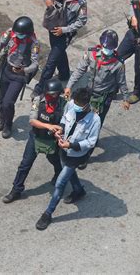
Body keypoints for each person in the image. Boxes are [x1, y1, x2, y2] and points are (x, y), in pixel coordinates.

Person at [35, 88, 101, 230]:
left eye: (78, 103)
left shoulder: (94, 120)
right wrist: (60, 130)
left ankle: (48, 213)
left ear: (85, 104)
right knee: (68, 171)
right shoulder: (71, 105)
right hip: (63, 149)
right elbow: (65, 119)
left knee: (60, 183)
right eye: (75, 101)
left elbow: (91, 142)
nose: (75, 104)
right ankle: (79, 190)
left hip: (75, 154)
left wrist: (71, 144)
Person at [2, 79, 65, 203]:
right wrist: (49, 126)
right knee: (25, 164)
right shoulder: (38, 101)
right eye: (51, 94)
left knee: (54, 159)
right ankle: (16, 189)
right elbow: (32, 121)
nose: (53, 97)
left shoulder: (64, 104)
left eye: (56, 94)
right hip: (36, 137)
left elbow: (66, 120)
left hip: (52, 140)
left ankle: (59, 173)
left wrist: (60, 129)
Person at [31, 0, 88, 97]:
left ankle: (40, 88)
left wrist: (65, 30)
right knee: (58, 52)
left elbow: (82, 21)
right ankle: (64, 74)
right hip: (53, 27)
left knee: (51, 62)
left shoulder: (80, 2)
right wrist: (47, 0)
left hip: (65, 33)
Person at [64, 29, 130, 127]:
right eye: (105, 47)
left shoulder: (118, 63)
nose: (107, 49)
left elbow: (122, 81)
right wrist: (69, 86)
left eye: (110, 48)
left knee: (96, 122)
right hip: (89, 92)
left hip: (104, 97)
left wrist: (125, 99)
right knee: (78, 117)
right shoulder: (91, 54)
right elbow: (79, 70)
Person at [0, 16, 39, 139]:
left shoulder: (33, 43)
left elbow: (35, 64)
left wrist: (24, 70)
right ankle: (2, 122)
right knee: (1, 100)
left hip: (19, 76)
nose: (17, 35)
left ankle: (8, 126)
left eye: (20, 34)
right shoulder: (11, 33)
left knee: (8, 102)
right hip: (7, 70)